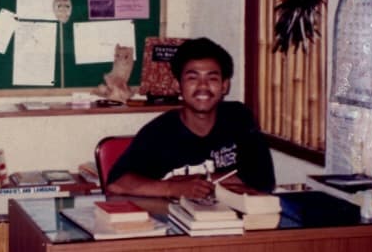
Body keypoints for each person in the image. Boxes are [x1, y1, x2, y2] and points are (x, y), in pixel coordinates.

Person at [106, 37, 275, 198]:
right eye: (193, 78)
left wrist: (202, 181)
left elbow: (263, 180)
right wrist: (174, 188)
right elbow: (116, 183)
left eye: (212, 78)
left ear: (224, 86)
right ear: (178, 86)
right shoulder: (160, 132)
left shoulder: (239, 118)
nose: (203, 86)